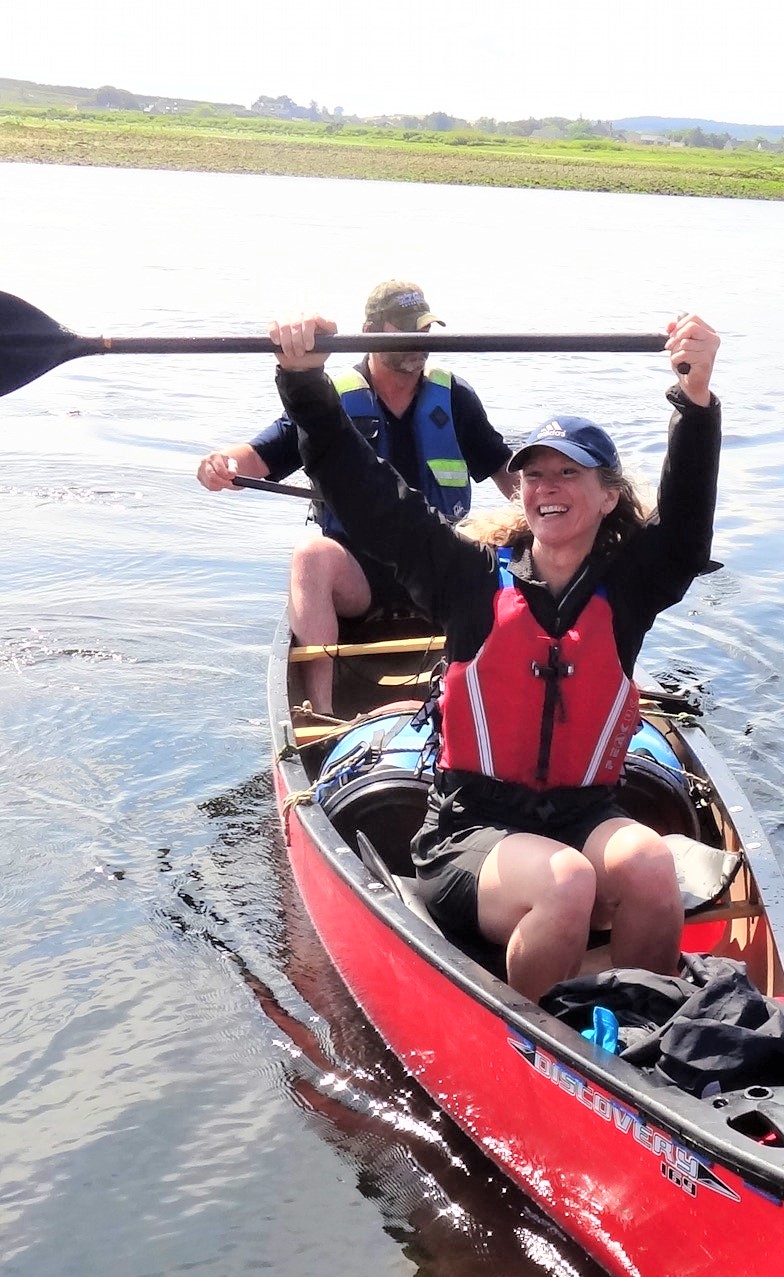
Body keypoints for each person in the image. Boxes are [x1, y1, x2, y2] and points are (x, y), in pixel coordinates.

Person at [268, 307, 722, 1000]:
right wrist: (304, 382)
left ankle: (640, 1024)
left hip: (583, 813)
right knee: (566, 883)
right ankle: (545, 1040)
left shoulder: (629, 590)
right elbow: (367, 497)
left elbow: (686, 532)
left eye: (570, 474)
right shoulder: (470, 580)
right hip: (468, 831)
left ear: (607, 498)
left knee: (651, 867)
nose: (547, 487)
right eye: (534, 474)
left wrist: (694, 399)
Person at [196, 280, 517, 714]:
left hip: (441, 566)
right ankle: (322, 716)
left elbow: (508, 474)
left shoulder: (454, 397)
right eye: (403, 330)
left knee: (513, 547)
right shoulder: (333, 397)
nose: (418, 343)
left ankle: (490, 689)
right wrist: (220, 465)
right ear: (368, 330)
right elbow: (262, 455)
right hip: (360, 573)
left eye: (424, 331)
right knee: (311, 553)